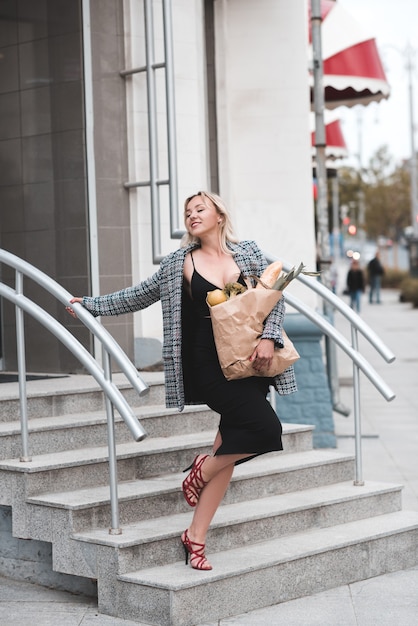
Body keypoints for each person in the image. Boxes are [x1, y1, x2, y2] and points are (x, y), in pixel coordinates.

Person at [66, 191, 297, 571]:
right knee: (265, 428)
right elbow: (137, 296)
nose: (192, 215)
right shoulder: (180, 263)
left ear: (219, 214)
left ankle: (196, 536)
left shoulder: (249, 252)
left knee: (229, 451)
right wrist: (90, 305)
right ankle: (201, 469)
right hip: (207, 363)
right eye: (187, 211)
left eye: (199, 209)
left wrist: (270, 338)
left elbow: (274, 297)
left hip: (249, 361)